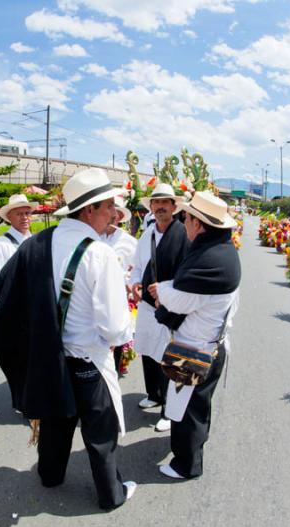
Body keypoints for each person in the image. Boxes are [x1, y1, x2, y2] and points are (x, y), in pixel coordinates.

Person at [0, 168, 136, 510]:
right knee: (100, 432)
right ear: (88, 210)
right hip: (89, 361)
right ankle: (110, 494)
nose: (114, 213)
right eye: (109, 206)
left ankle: (50, 475)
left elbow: (7, 296)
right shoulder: (100, 254)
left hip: (49, 359)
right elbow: (115, 329)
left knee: (56, 421)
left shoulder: (39, 242)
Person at [147, 191, 241, 480]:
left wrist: (159, 291)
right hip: (210, 343)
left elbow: (181, 300)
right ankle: (194, 446)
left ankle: (186, 464)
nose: (183, 221)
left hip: (196, 349)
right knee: (198, 403)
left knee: (188, 407)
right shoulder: (220, 252)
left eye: (186, 217)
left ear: (198, 224)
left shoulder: (210, 260)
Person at [129, 183, 189, 433]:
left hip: (170, 306)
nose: (160, 206)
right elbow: (138, 264)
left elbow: (187, 271)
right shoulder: (148, 233)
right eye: (156, 202)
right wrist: (134, 284)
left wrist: (166, 292)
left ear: (174, 207)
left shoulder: (183, 234)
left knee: (166, 354)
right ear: (151, 207)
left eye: (165, 202)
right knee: (147, 348)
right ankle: (153, 393)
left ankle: (167, 407)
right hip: (146, 304)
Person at [101, 195, 138, 373]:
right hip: (96, 298)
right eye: (109, 213)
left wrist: (127, 282)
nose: (111, 219)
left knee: (115, 338)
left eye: (115, 215)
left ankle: (113, 372)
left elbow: (137, 272)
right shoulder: (93, 237)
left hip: (119, 299)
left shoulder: (130, 243)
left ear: (120, 217)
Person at [0, 193, 38, 286]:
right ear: (9, 217)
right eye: (19, 214)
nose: (24, 217)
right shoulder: (0, 246)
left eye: (27, 213)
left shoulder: (35, 241)